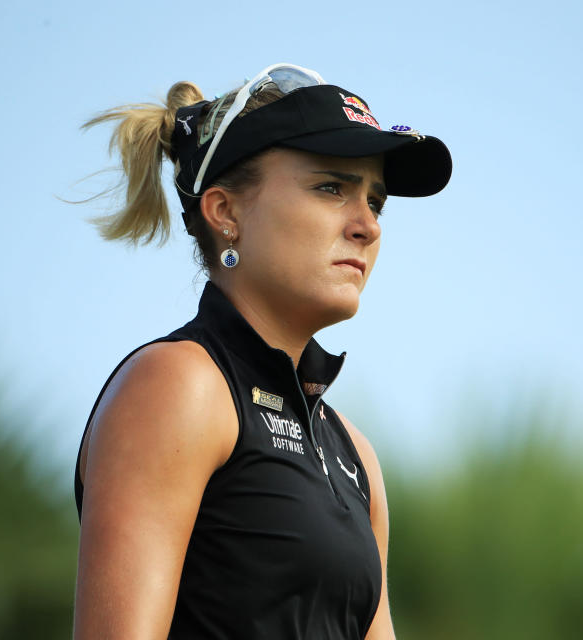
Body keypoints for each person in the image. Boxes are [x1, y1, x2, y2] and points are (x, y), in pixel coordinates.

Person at [71, 63, 452, 639]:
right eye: (331, 187)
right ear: (225, 212)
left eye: (376, 202)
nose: (367, 226)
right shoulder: (180, 384)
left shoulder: (354, 455)